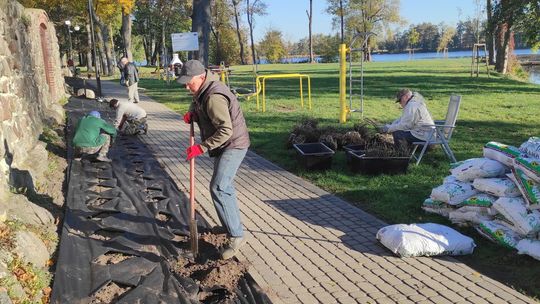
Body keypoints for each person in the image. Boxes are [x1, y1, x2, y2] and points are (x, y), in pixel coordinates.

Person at [177, 59, 250, 260]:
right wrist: (193, 114)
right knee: (223, 186)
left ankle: (236, 236)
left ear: (201, 77)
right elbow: (197, 102)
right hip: (225, 144)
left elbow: (226, 130)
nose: (186, 86)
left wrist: (200, 147)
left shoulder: (214, 97)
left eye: (188, 82)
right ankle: (229, 225)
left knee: (219, 186)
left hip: (233, 144)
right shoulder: (203, 89)